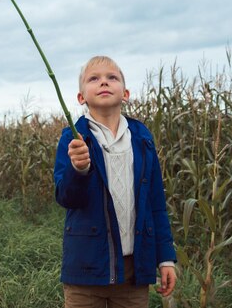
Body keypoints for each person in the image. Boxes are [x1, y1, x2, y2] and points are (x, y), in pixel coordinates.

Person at [53, 56, 177, 308]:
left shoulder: (142, 139)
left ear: (126, 93)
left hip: (133, 272)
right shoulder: (73, 139)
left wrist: (165, 258)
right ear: (81, 97)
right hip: (86, 270)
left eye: (112, 77)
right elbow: (66, 198)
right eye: (94, 79)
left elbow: (156, 204)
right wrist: (79, 170)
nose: (104, 83)